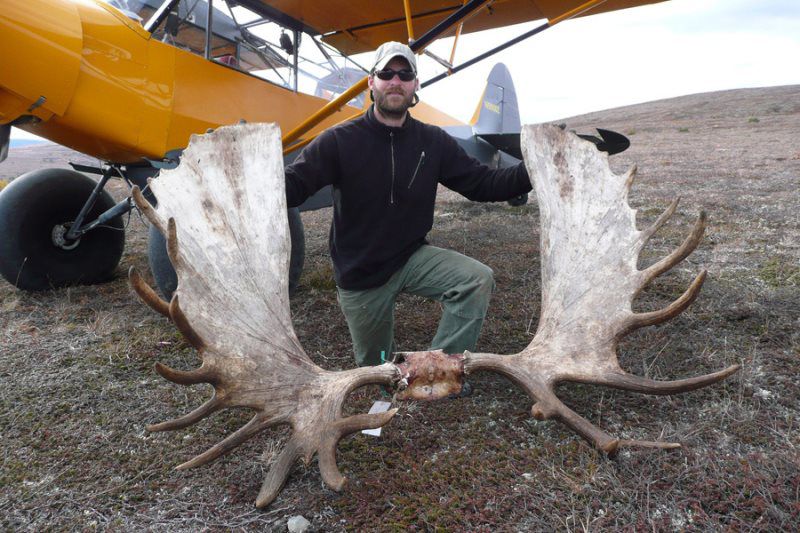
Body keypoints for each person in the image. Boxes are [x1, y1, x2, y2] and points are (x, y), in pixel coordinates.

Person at [285, 41, 532, 373]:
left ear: (416, 84)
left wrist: (536, 165)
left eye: (405, 74)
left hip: (411, 256)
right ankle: (390, 370)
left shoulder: (434, 140)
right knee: (377, 370)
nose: (395, 81)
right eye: (386, 73)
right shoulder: (338, 140)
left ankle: (439, 371)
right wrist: (238, 173)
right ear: (371, 82)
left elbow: (483, 184)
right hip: (361, 273)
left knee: (476, 279)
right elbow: (293, 187)